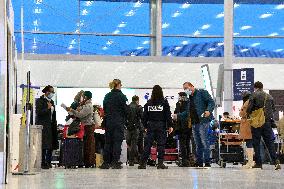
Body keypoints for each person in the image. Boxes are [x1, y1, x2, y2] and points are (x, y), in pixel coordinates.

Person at [173, 82, 215, 168]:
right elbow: (187, 112)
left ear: (192, 86)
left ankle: (207, 161)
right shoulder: (190, 99)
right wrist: (178, 115)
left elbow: (211, 102)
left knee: (204, 141)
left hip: (203, 121)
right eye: (184, 89)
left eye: (187, 88)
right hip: (194, 123)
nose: (186, 90)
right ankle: (199, 162)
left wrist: (208, 110)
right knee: (197, 143)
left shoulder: (202, 93)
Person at [247, 81, 281, 170]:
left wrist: (249, 114)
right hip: (267, 123)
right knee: (269, 143)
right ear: (262, 87)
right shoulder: (269, 96)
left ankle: (258, 163)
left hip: (257, 123)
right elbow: (273, 110)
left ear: (255, 87)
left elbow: (249, 108)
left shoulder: (253, 95)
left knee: (256, 143)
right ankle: (276, 161)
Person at [138, 85, 173, 169]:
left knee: (147, 145)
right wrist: (170, 125)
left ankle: (143, 164)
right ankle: (160, 163)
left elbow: (144, 116)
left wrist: (145, 126)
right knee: (161, 145)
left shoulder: (149, 103)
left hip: (150, 126)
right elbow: (168, 115)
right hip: (161, 126)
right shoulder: (164, 102)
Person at [100, 79, 128, 169]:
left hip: (109, 122)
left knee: (108, 142)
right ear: (118, 85)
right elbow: (126, 110)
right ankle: (115, 162)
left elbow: (104, 109)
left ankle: (106, 162)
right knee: (117, 142)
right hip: (119, 122)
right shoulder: (123, 96)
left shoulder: (107, 96)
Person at [68, 91, 96, 168]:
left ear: (86, 97)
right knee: (87, 145)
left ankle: (89, 162)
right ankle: (87, 161)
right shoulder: (85, 105)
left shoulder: (88, 106)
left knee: (88, 145)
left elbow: (80, 115)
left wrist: (72, 110)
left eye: (83, 96)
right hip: (86, 126)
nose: (81, 98)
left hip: (88, 127)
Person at [36, 85, 58, 169]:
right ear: (47, 92)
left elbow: (53, 115)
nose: (52, 93)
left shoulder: (51, 101)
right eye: (51, 91)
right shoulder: (40, 101)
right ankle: (42, 162)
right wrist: (48, 108)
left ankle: (48, 161)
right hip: (43, 125)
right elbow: (39, 112)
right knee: (44, 144)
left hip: (51, 125)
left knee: (50, 144)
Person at [174, 92, 194, 167]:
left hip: (187, 126)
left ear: (183, 97)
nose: (179, 98)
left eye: (180, 96)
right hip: (180, 126)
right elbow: (176, 112)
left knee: (185, 143)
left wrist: (177, 115)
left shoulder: (188, 103)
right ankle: (185, 159)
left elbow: (186, 113)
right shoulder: (178, 104)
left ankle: (186, 160)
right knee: (184, 143)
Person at [126, 95, 143, 166]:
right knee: (134, 144)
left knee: (129, 143)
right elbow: (142, 117)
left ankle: (132, 159)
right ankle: (134, 159)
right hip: (136, 128)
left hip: (128, 128)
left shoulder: (127, 107)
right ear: (137, 100)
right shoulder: (139, 107)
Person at [238, 92, 253, 169]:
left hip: (247, 124)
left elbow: (243, 113)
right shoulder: (252, 101)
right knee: (252, 143)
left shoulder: (247, 103)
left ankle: (250, 162)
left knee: (249, 143)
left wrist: (240, 113)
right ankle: (252, 161)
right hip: (252, 123)